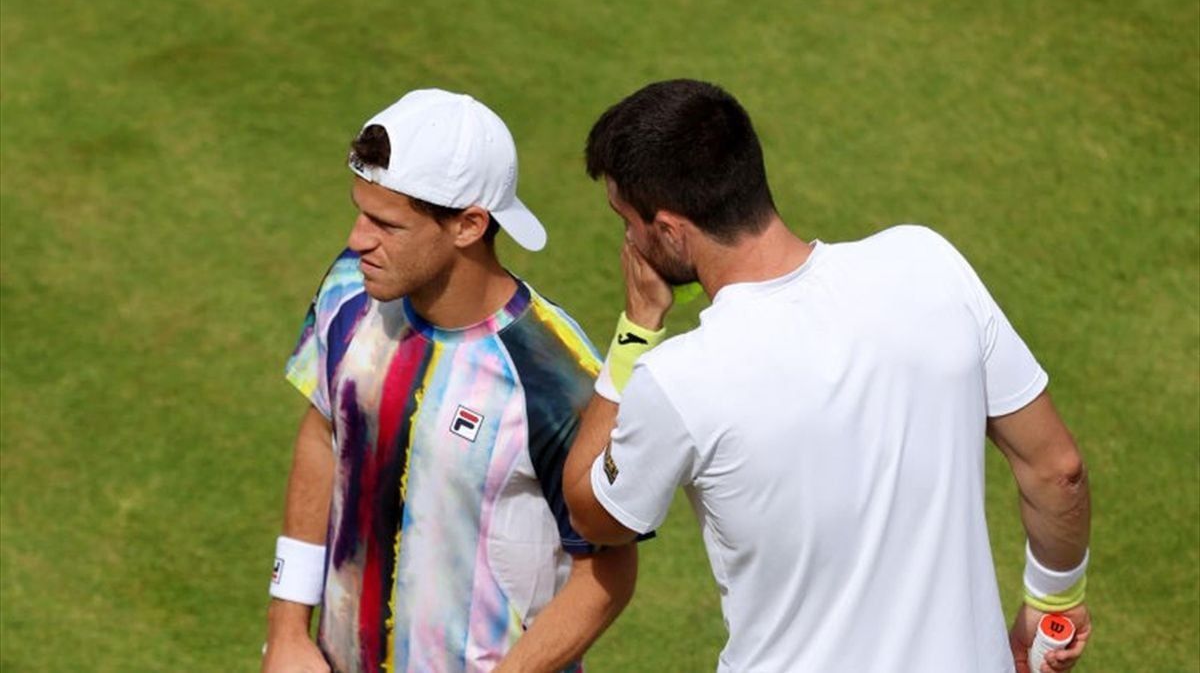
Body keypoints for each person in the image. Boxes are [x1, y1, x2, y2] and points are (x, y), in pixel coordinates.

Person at [562, 79, 1091, 673]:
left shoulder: (677, 378)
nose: (627, 240)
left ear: (669, 230)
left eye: (626, 221)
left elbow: (594, 513)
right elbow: (1057, 471)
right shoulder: (927, 263)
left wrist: (636, 329)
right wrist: (1055, 604)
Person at [263, 89, 636, 673]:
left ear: (468, 225)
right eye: (361, 211)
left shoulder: (556, 375)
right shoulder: (348, 288)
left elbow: (608, 571)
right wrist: (287, 629)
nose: (359, 238)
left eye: (387, 224)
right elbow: (322, 434)